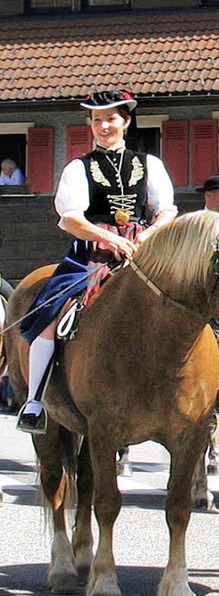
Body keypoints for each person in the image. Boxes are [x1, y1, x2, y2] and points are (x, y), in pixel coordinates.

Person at [17, 89, 177, 433]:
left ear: (126, 121)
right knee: (51, 310)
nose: (104, 126)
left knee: (188, 299)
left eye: (111, 119)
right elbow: (71, 218)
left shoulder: (150, 164)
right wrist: (109, 238)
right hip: (91, 253)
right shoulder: (78, 167)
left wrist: (145, 236)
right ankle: (34, 401)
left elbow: (166, 212)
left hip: (144, 252)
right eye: (97, 120)